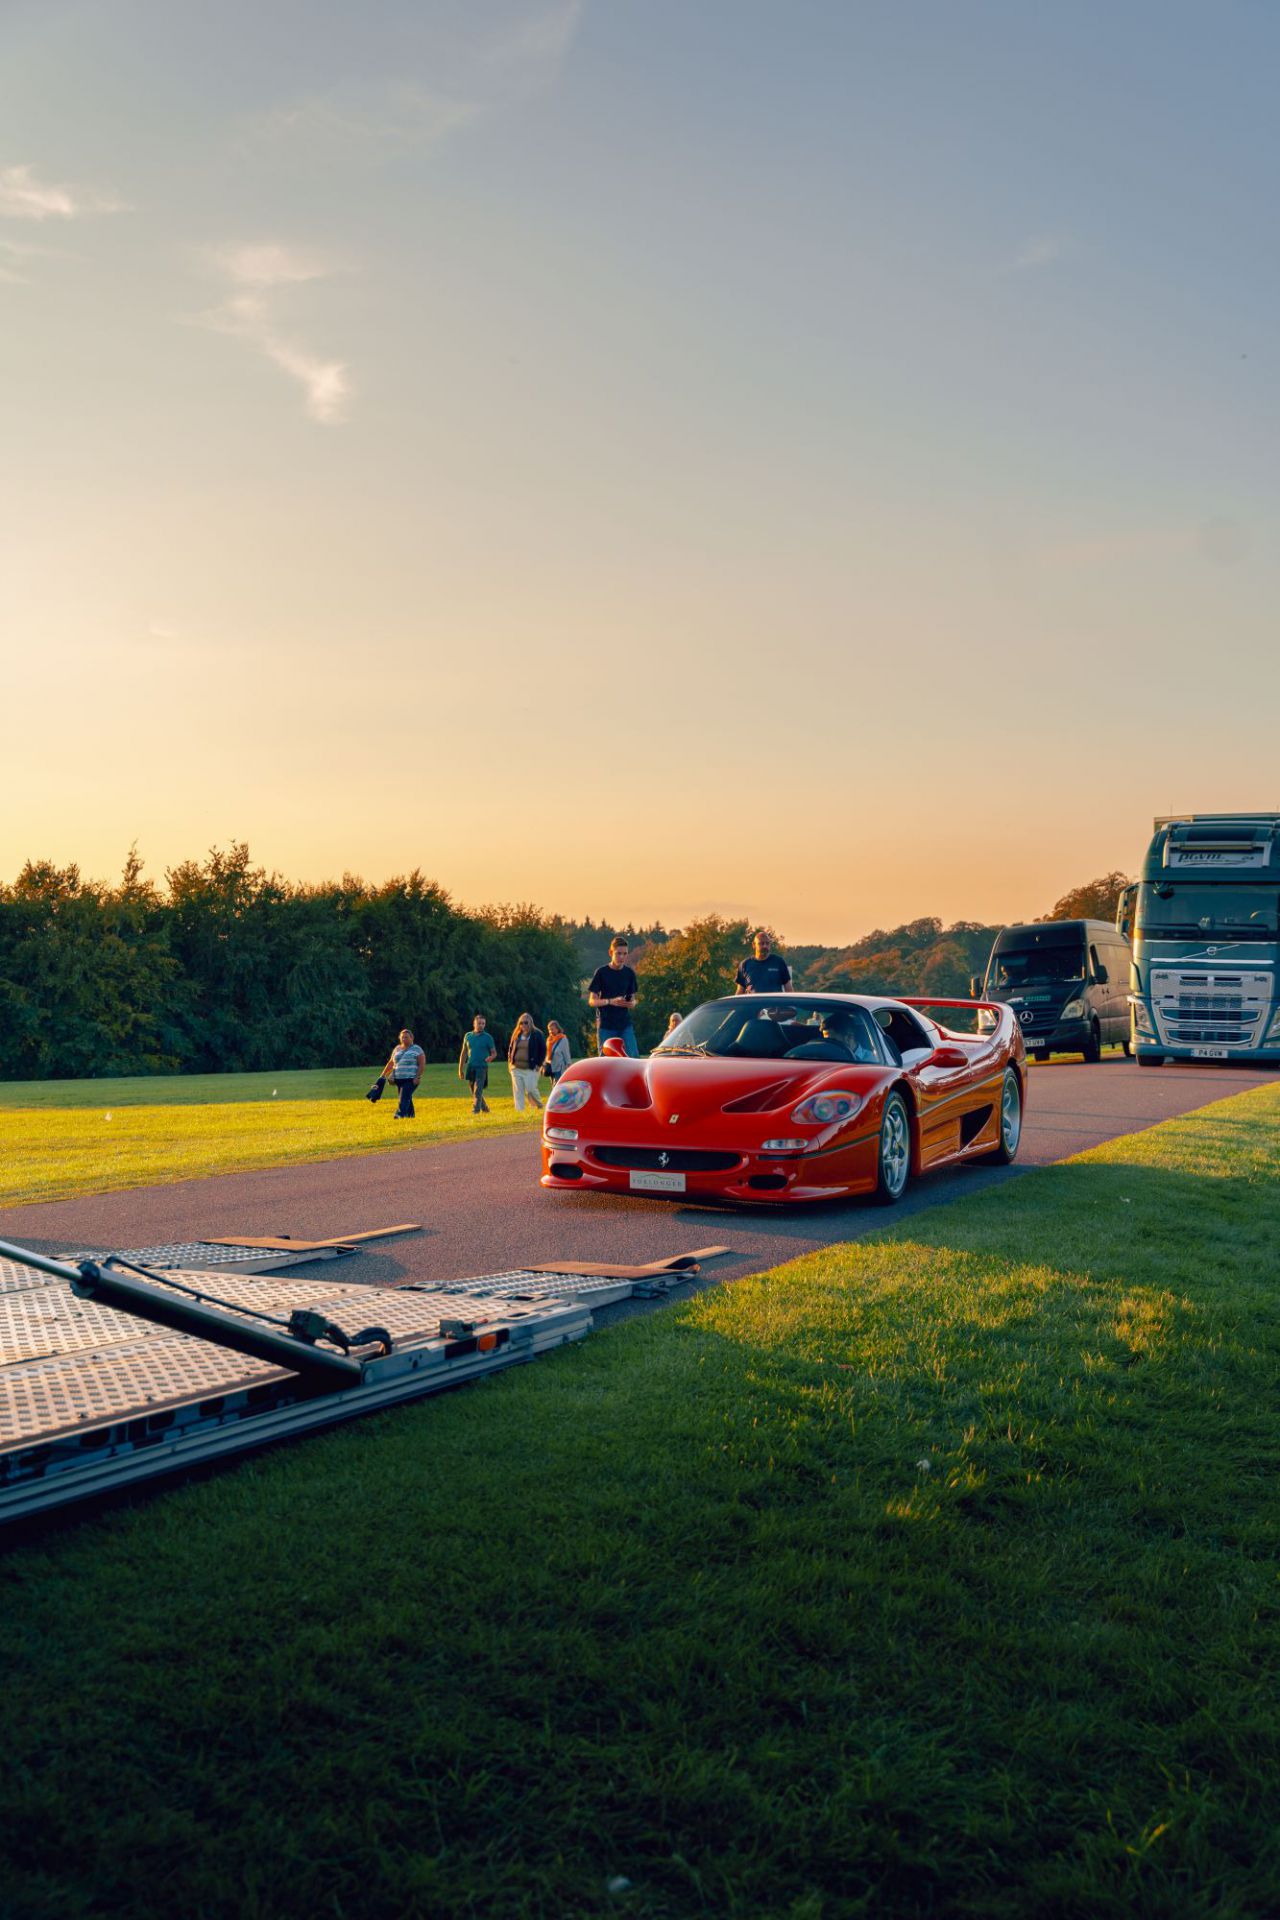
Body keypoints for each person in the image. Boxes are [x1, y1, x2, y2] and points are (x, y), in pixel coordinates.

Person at [589, 936, 639, 1057]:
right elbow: (592, 1001)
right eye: (618, 953)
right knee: (606, 1061)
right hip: (606, 1025)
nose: (622, 957)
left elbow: (633, 999)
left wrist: (632, 1003)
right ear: (610, 953)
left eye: (625, 954)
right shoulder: (601, 972)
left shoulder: (629, 973)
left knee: (633, 1058)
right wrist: (611, 1001)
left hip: (625, 1024)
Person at [458, 1014, 498, 1115]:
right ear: (474, 1023)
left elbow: (494, 1053)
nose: (481, 1025)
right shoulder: (468, 1036)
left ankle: (475, 1110)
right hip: (471, 1066)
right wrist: (460, 1069)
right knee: (473, 1089)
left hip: (482, 1067)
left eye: (483, 1024)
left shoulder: (488, 1037)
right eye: (479, 1023)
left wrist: (491, 1057)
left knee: (478, 1089)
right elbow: (464, 1053)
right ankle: (485, 1108)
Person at [382, 1027, 425, 1119]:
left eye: (406, 1037)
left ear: (411, 1038)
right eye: (402, 1037)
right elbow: (391, 1063)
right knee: (406, 1096)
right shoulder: (397, 1049)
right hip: (398, 1079)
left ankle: (400, 1114)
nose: (404, 1039)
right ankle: (411, 1116)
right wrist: (383, 1075)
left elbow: (422, 1064)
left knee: (404, 1096)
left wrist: (417, 1077)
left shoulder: (417, 1049)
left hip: (411, 1078)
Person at [507, 1011, 546, 1111]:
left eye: (526, 1022)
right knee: (518, 1091)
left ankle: (539, 1105)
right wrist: (510, 1063)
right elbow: (511, 1048)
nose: (523, 1025)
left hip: (531, 1068)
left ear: (530, 1023)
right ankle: (520, 1112)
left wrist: (539, 1064)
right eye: (521, 1023)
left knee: (531, 1090)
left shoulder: (537, 1034)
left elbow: (543, 1050)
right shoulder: (516, 1034)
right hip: (516, 1068)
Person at [735, 930, 793, 995]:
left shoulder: (779, 962)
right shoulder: (745, 964)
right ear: (754, 945)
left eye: (767, 943)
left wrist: (791, 1004)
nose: (765, 946)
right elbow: (740, 991)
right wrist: (734, 1005)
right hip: (753, 1004)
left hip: (774, 1004)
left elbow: (788, 989)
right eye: (761, 943)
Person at [543, 1019, 572, 1084]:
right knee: (553, 1087)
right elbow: (547, 1053)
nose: (550, 1031)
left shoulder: (563, 1039)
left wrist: (569, 1065)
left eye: (552, 1029)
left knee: (558, 1085)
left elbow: (566, 1053)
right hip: (550, 1067)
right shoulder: (549, 1040)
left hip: (559, 1067)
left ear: (557, 1029)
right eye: (549, 1030)